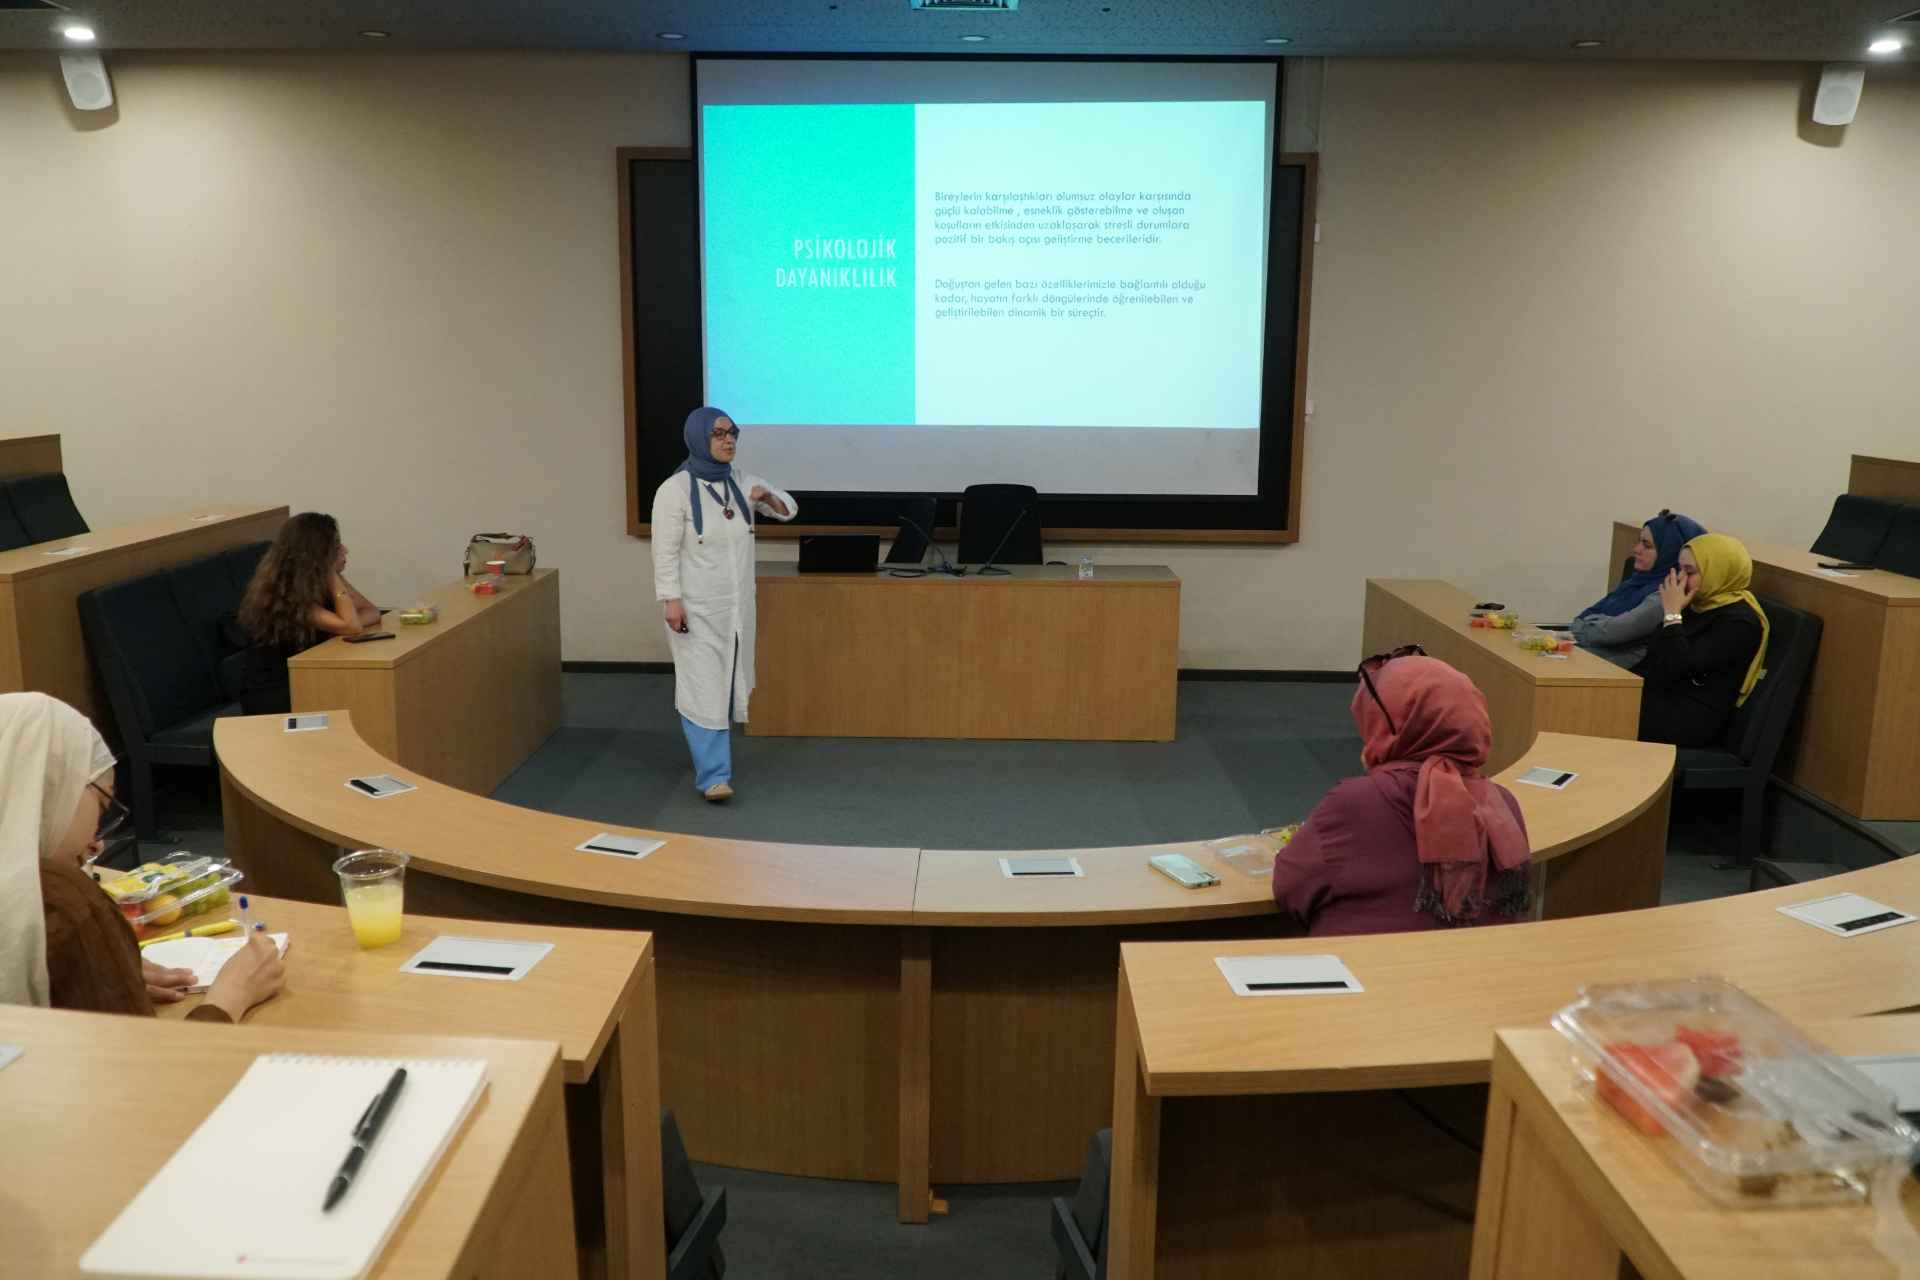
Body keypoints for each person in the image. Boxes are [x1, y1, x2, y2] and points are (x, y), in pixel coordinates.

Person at [0, 692, 286, 1021]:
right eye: (103, 806)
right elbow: (140, 1054)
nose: (98, 844)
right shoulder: (61, 903)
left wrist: (103, 973)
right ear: (53, 789)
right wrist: (232, 995)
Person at [1271, 650, 1532, 935]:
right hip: (1479, 961)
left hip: (1367, 960)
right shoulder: (1502, 804)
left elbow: (1289, 886)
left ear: (1389, 725)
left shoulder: (1358, 802)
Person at [651, 407, 797, 801]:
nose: (728, 440)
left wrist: (767, 496)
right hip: (695, 607)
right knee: (703, 685)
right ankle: (714, 776)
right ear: (699, 438)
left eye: (732, 433)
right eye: (718, 434)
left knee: (729, 681)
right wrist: (671, 601)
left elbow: (788, 510)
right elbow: (664, 552)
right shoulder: (675, 490)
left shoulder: (741, 480)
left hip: (736, 608)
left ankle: (711, 760)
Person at [236, 512, 382, 715]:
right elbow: (351, 626)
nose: (345, 550)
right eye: (336, 546)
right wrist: (330, 572)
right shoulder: (286, 594)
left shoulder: (320, 579)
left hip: (307, 678)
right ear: (318, 553)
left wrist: (341, 623)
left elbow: (371, 611)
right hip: (276, 693)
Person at [1633, 533, 1769, 748]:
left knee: (1607, 713)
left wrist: (1672, 614)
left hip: (1691, 718)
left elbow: (1681, 666)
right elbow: (1657, 656)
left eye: (1690, 572)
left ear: (1718, 572)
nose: (1681, 579)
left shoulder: (1740, 623)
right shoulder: (1696, 604)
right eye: (1679, 569)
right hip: (1663, 698)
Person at [1571, 510, 1707, 669]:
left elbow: (1612, 632)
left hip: (1623, 671)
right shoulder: (1637, 581)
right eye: (1639, 542)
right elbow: (1587, 618)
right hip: (1597, 655)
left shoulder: (1667, 592)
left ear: (1670, 551)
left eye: (1647, 545)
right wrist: (1584, 626)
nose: (1636, 549)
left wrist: (1582, 627)